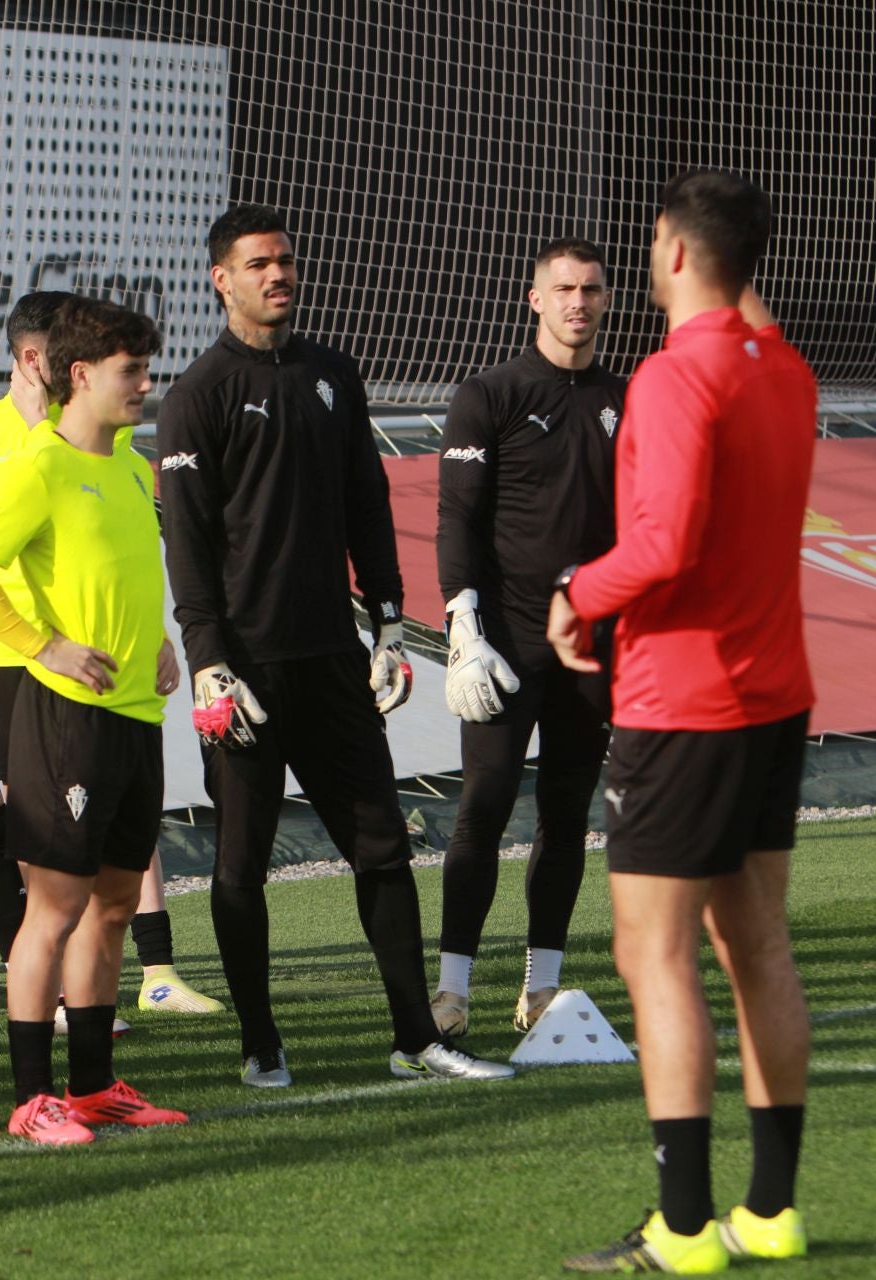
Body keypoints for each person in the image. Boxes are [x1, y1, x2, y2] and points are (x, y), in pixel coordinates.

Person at [157, 203, 513, 1087]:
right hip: (242, 670)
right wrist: (208, 657)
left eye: (284, 260)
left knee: (383, 846)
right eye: (257, 264)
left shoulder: (333, 374)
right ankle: (260, 1045)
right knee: (241, 863)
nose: (278, 275)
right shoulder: (197, 395)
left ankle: (415, 1038)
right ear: (222, 280)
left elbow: (365, 500)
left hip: (330, 659)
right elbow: (188, 546)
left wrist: (389, 621)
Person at [555, 171, 816, 1274]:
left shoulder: (673, 376)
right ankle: (769, 1210)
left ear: (666, 251)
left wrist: (579, 594)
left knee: (653, 951)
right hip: (776, 695)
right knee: (755, 941)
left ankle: (686, 1224)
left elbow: (660, 546)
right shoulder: (787, 371)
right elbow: (753, 322)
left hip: (685, 700)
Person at [0, 296, 190, 1144]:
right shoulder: (35, 467)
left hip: (136, 712)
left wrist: (158, 638)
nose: (146, 386)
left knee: (115, 905)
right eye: (133, 372)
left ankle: (92, 1087)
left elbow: (120, 569)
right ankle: (30, 1100)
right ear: (80, 375)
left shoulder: (130, 465)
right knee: (53, 907)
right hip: (66, 719)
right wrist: (38, 644)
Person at [432, 237, 624, 1037]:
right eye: (564, 288)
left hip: (593, 646)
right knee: (481, 809)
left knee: (566, 813)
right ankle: (452, 991)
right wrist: (462, 621)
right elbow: (457, 517)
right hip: (505, 642)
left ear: (605, 300)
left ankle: (541, 987)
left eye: (591, 289)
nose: (578, 302)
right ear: (535, 299)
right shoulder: (489, 393)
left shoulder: (629, 398)